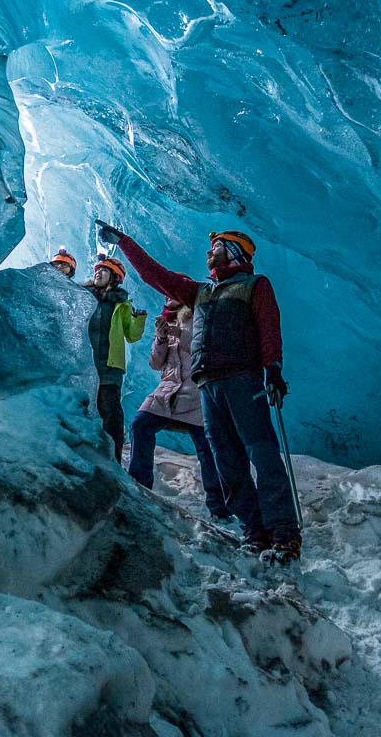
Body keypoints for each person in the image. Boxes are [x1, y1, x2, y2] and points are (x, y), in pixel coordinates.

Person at [97, 221, 299, 563]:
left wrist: (273, 370)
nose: (209, 252)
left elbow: (268, 328)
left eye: (216, 247)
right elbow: (155, 275)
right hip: (209, 387)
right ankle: (255, 531)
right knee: (227, 462)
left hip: (242, 381)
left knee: (262, 455)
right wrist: (124, 242)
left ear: (233, 253)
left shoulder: (254, 286)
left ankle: (284, 535)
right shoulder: (200, 293)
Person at [127, 299, 231, 520]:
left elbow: (203, 346)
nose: (167, 297)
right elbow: (155, 363)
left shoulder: (195, 317)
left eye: (171, 294)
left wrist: (176, 332)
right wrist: (161, 338)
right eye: (165, 296)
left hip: (194, 393)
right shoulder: (165, 323)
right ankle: (139, 486)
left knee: (206, 448)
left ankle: (219, 507)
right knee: (139, 425)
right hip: (166, 392)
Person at [83, 255, 147, 462]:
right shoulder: (83, 296)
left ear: (114, 278)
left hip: (110, 365)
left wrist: (139, 318)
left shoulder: (122, 304)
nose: (98, 273)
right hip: (86, 364)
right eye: (97, 270)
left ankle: (114, 459)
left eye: (104, 271)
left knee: (110, 411)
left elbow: (132, 335)